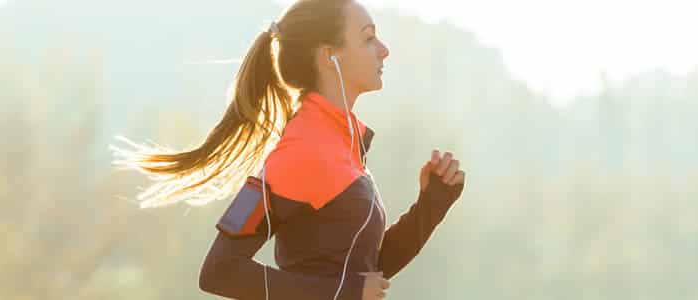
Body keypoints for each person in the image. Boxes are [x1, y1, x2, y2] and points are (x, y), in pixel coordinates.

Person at [111, 1, 465, 299]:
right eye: (369, 38)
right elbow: (220, 271)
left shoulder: (343, 145)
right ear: (330, 57)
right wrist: (342, 292)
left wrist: (432, 203)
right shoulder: (300, 150)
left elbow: (366, 273)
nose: (384, 49)